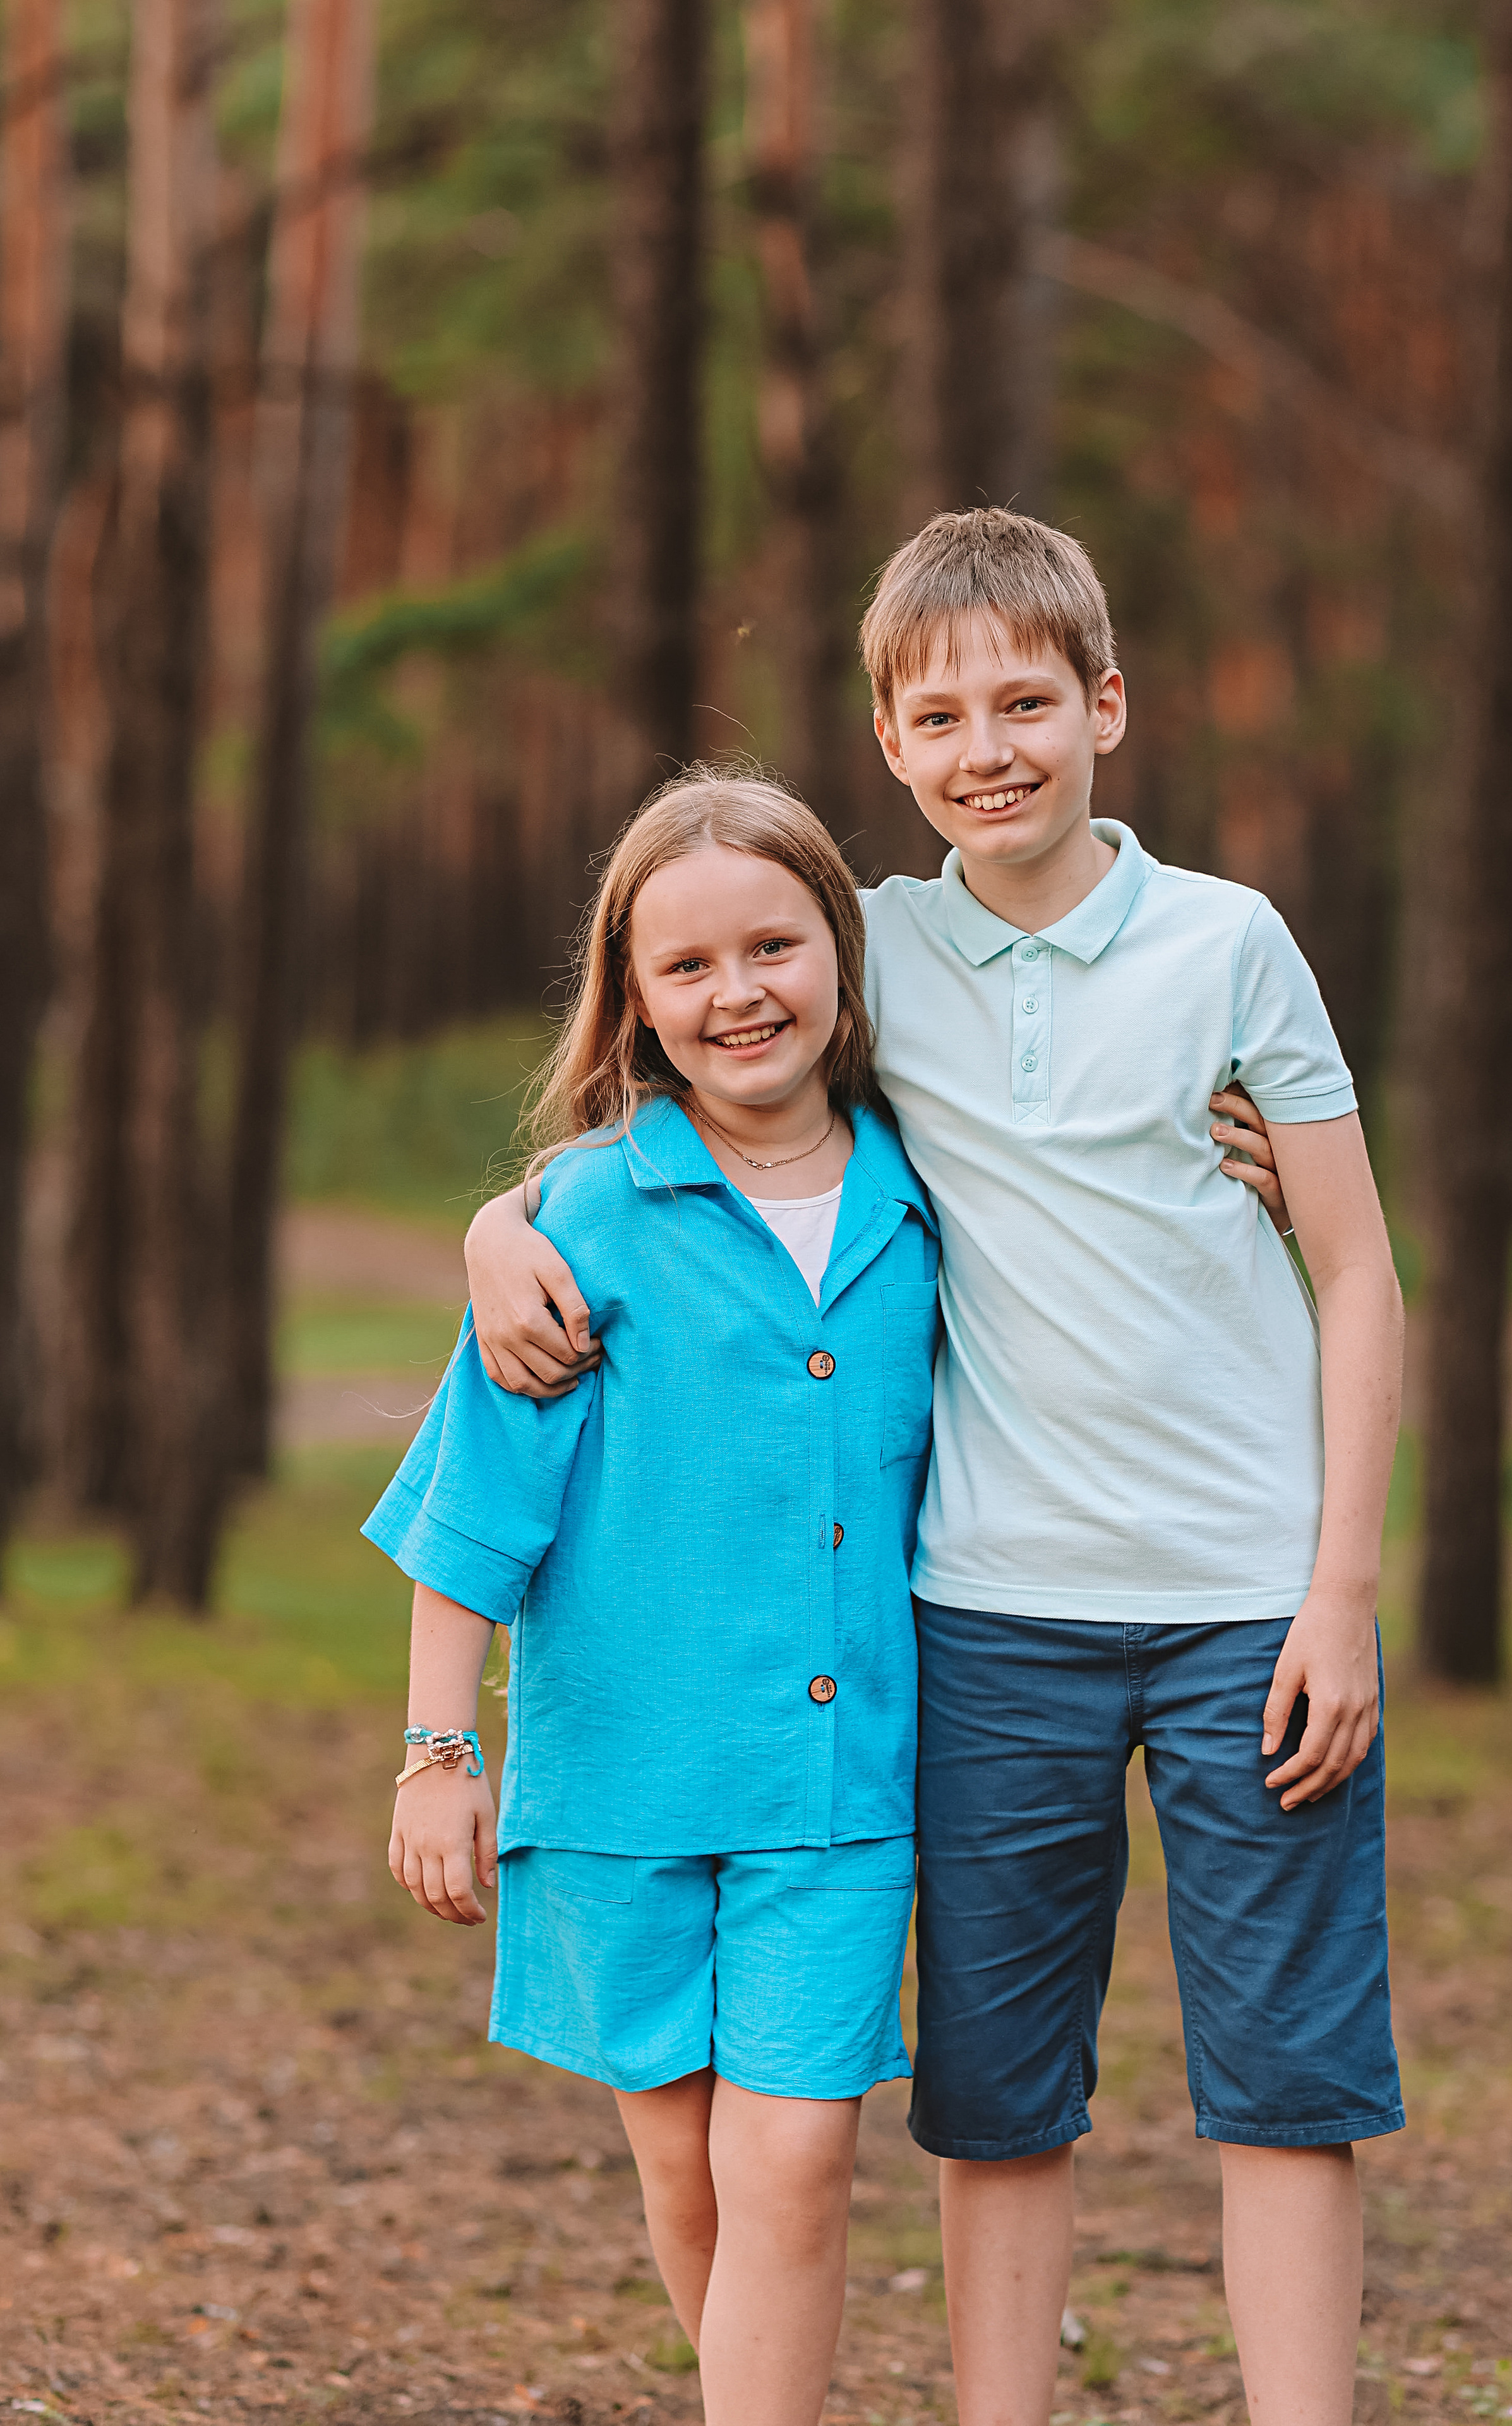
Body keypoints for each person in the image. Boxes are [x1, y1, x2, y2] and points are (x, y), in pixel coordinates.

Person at [463, 508, 1405, 2426]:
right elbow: (698, 1062)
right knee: (998, 2099)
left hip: (1248, 1599)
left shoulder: (1232, 943)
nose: (993, 747)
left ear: (1108, 707)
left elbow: (1360, 1266)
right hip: (985, 1611)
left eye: (1030, 703)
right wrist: (499, 1224)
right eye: (945, 716)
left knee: (1287, 2087)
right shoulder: (875, 950)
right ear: (889, 747)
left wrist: (1342, 1591)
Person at [366, 772, 945, 2426]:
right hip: (622, 1787)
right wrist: (436, 1753)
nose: (739, 991)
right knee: (692, 2179)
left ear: (839, 952)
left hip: (837, 1796)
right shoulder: (580, 1224)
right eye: (687, 966)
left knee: (800, 2162)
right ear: (634, 998)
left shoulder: (929, 1201)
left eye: (774, 945)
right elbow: (475, 1515)